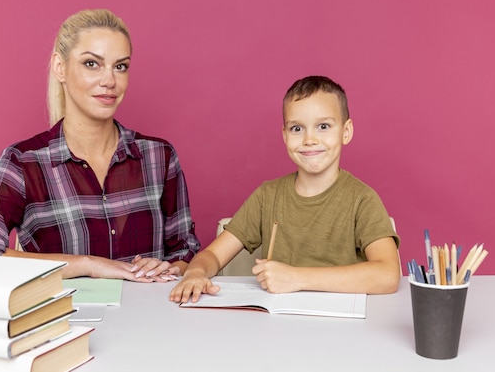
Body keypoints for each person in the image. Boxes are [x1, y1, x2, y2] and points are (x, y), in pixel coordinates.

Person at [0, 9, 200, 282]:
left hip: (152, 321)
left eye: (121, 66)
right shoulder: (24, 162)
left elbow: (185, 251)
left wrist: (172, 268)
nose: (109, 81)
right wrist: (87, 264)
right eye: (92, 64)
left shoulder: (159, 157)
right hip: (63, 321)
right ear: (60, 67)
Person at [170, 75, 400, 303]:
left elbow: (388, 275)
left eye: (323, 126)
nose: (309, 139)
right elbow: (211, 255)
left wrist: (296, 278)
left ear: (346, 131)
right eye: (297, 128)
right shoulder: (267, 196)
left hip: (342, 328)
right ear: (284, 135)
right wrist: (196, 272)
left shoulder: (362, 199)